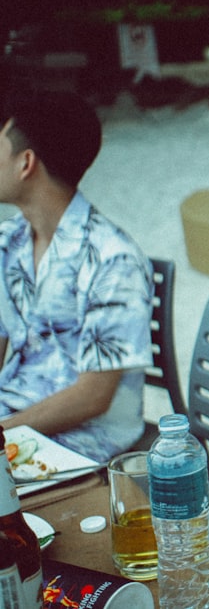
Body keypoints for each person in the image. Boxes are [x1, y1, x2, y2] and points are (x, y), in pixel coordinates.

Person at [0, 89, 153, 463]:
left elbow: (93, 398)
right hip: (15, 423)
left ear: (26, 163)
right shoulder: (9, 242)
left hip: (83, 442)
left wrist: (3, 434)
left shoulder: (113, 259)